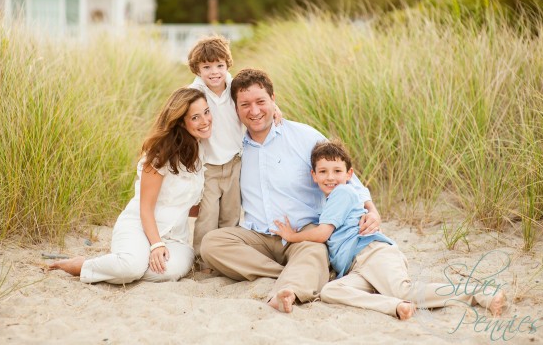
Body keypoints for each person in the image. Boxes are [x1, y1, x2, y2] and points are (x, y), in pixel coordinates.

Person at [200, 68, 381, 313]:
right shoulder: (233, 145)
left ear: (273, 100)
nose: (254, 111)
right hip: (259, 237)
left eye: (261, 102)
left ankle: (292, 288)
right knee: (211, 244)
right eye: (245, 104)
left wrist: (371, 209)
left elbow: (343, 175)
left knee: (315, 250)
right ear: (236, 108)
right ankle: (289, 273)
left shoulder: (303, 136)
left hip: (303, 231)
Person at [272, 139, 507, 320]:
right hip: (358, 268)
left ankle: (480, 293)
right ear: (313, 175)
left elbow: (323, 233)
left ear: (349, 175)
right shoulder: (330, 201)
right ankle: (393, 307)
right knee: (331, 292)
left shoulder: (343, 192)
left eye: (337, 171)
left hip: (373, 253)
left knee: (405, 290)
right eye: (323, 171)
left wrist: (292, 236)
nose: (330, 177)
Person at [50, 87, 211, 284]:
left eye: (206, 112)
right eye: (195, 117)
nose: (205, 121)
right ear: (180, 122)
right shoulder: (160, 155)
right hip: (140, 226)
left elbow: (187, 205)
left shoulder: (202, 153)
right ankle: (84, 264)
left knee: (167, 272)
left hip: (176, 239)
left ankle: (122, 264)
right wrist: (156, 245)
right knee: (131, 267)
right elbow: (145, 209)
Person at [187, 36, 282, 271]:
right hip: (208, 165)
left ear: (227, 65)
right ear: (197, 69)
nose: (214, 72)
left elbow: (254, 99)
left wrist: (276, 107)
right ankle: (202, 260)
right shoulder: (194, 92)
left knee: (230, 214)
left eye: (219, 65)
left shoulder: (233, 87)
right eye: (206, 67)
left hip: (235, 161)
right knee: (207, 215)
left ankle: (224, 257)